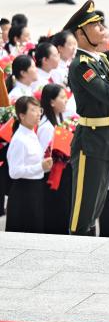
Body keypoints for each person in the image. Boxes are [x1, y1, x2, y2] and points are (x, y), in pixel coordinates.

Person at [65, 1, 109, 236]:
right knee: (83, 209)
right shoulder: (81, 66)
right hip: (90, 141)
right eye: (94, 25)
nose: (101, 27)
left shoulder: (99, 60)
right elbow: (106, 92)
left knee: (95, 206)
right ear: (81, 34)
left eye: (101, 23)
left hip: (104, 137)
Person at [6, 97, 52, 232]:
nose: (38, 113)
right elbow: (14, 172)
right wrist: (40, 167)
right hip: (23, 193)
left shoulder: (31, 133)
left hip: (35, 190)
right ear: (22, 115)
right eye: (33, 110)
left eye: (39, 110)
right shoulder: (19, 139)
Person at [39, 84, 72, 234]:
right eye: (62, 97)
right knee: (55, 218)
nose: (66, 100)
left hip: (62, 177)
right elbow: (45, 156)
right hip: (53, 179)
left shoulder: (59, 121)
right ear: (52, 102)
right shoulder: (46, 127)